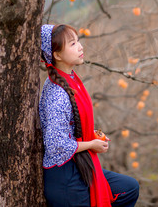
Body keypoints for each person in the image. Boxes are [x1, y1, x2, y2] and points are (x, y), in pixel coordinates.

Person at [39, 24, 140, 207]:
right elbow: (56, 145)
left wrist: (90, 134)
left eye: (78, 41)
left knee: (129, 188)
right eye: (72, 44)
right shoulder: (57, 94)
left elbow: (68, 125)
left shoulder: (70, 79)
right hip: (64, 176)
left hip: (78, 163)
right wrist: (90, 144)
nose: (80, 47)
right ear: (57, 55)